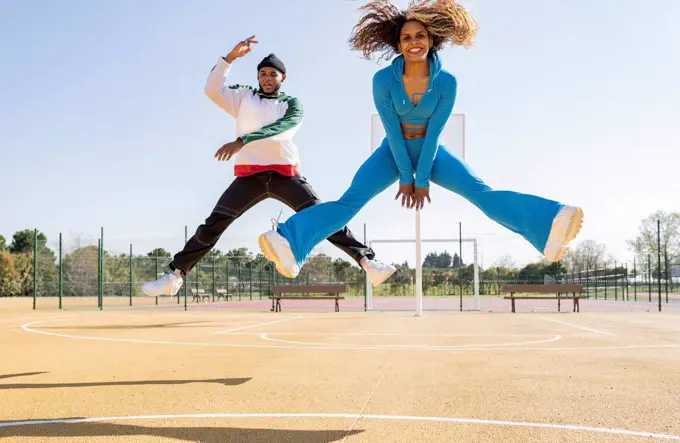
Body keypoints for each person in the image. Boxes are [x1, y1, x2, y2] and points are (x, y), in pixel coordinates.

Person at [258, 0, 584, 279]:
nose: (414, 42)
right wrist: (405, 176)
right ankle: (287, 240)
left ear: (431, 40)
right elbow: (392, 131)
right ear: (398, 44)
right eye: (406, 37)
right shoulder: (383, 80)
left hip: (432, 151)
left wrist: (422, 179)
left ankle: (549, 224)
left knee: (481, 194)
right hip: (392, 151)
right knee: (349, 203)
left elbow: (435, 132)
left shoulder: (447, 83)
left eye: (420, 36)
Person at [141, 36, 396, 297]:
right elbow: (212, 90)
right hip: (249, 177)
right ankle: (175, 275)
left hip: (285, 175)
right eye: (262, 73)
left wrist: (243, 141)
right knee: (214, 223)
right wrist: (229, 58)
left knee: (324, 218)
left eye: (272, 74)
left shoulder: (292, 104)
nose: (266, 78)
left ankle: (367, 261)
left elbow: (281, 130)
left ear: (282, 77)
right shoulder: (243, 97)